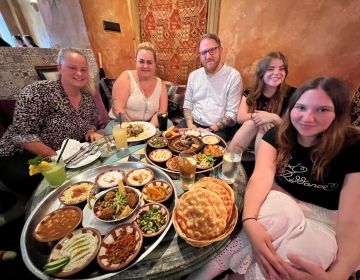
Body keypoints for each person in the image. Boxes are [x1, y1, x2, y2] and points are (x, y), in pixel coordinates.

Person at [189, 77, 360, 280]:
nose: (308, 117)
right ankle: (220, 266)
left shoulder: (352, 147)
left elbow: (351, 219)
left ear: (338, 113)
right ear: (292, 108)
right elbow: (260, 178)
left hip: (322, 221)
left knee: (291, 264)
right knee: (263, 222)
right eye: (301, 107)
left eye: (322, 110)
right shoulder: (276, 135)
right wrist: (250, 221)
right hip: (281, 204)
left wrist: (339, 274)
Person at [0, 48, 103, 200]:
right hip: (22, 156)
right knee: (48, 185)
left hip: (63, 153)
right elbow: (21, 135)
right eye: (72, 68)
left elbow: (92, 121)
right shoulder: (38, 91)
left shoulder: (86, 96)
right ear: (59, 68)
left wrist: (90, 131)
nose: (79, 73)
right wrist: (54, 157)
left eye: (83, 69)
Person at [179, 33, 242, 141]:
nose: (207, 56)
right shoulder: (193, 76)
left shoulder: (233, 76)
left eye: (212, 50)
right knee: (170, 145)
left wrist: (209, 130)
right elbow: (188, 103)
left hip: (217, 129)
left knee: (205, 155)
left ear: (220, 50)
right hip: (191, 124)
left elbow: (231, 115)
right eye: (203, 52)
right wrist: (190, 125)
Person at [229, 52, 295, 154]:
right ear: (262, 72)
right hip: (248, 139)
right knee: (254, 123)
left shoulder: (293, 94)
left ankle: (260, 167)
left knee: (265, 127)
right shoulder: (250, 92)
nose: (277, 73)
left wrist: (272, 117)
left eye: (281, 69)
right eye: (271, 69)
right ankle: (228, 161)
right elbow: (240, 117)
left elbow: (294, 126)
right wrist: (261, 117)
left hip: (277, 141)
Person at [108, 42, 168, 131]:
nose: (145, 66)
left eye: (149, 62)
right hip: (122, 123)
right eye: (141, 61)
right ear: (135, 62)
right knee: (121, 137)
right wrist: (134, 130)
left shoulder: (161, 84)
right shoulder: (126, 77)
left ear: (155, 64)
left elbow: (162, 111)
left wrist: (149, 129)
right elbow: (118, 109)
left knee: (168, 124)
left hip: (149, 123)